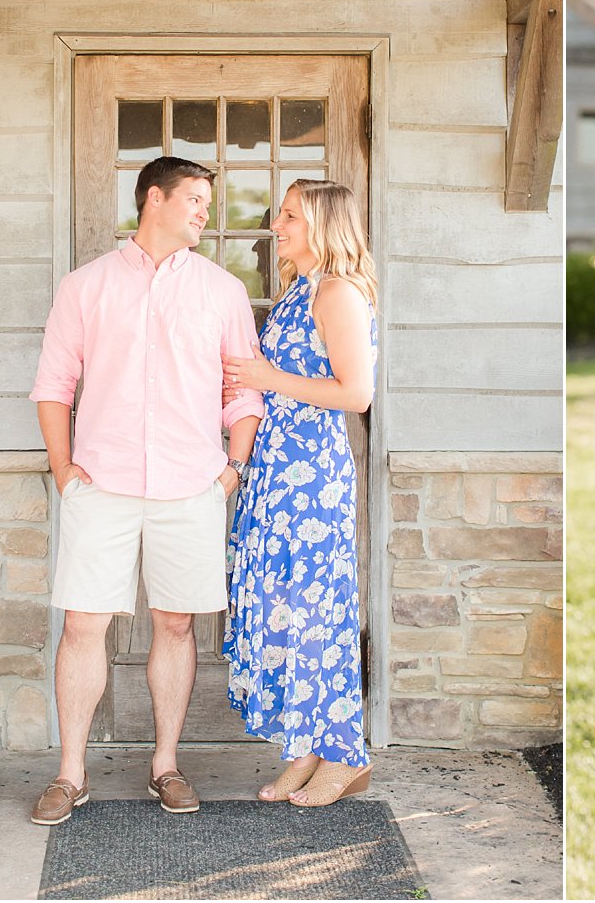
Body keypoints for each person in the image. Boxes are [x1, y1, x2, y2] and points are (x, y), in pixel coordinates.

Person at [28, 157, 264, 826]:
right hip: (100, 483)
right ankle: (70, 773)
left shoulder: (222, 292)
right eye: (193, 198)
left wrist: (231, 469)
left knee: (177, 622)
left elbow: (242, 390)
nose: (204, 212)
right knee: (82, 623)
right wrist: (63, 468)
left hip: (191, 485)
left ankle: (165, 763)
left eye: (207, 202)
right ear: (152, 199)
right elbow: (53, 386)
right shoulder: (85, 286)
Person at [220, 180, 378, 808]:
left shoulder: (338, 293)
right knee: (284, 611)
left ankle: (344, 755)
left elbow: (355, 394)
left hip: (311, 479)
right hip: (276, 474)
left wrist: (266, 375)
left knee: (318, 615)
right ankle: (303, 750)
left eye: (289, 215)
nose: (276, 224)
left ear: (321, 225)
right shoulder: (297, 293)